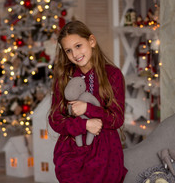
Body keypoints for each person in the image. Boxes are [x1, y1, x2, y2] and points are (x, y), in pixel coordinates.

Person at [48, 21, 128, 183]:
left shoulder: (113, 75)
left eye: (78, 46)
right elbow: (55, 119)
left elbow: (117, 119)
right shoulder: (64, 78)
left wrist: (87, 108)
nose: (75, 54)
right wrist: (83, 125)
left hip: (105, 154)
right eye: (68, 51)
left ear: (91, 41)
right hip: (72, 152)